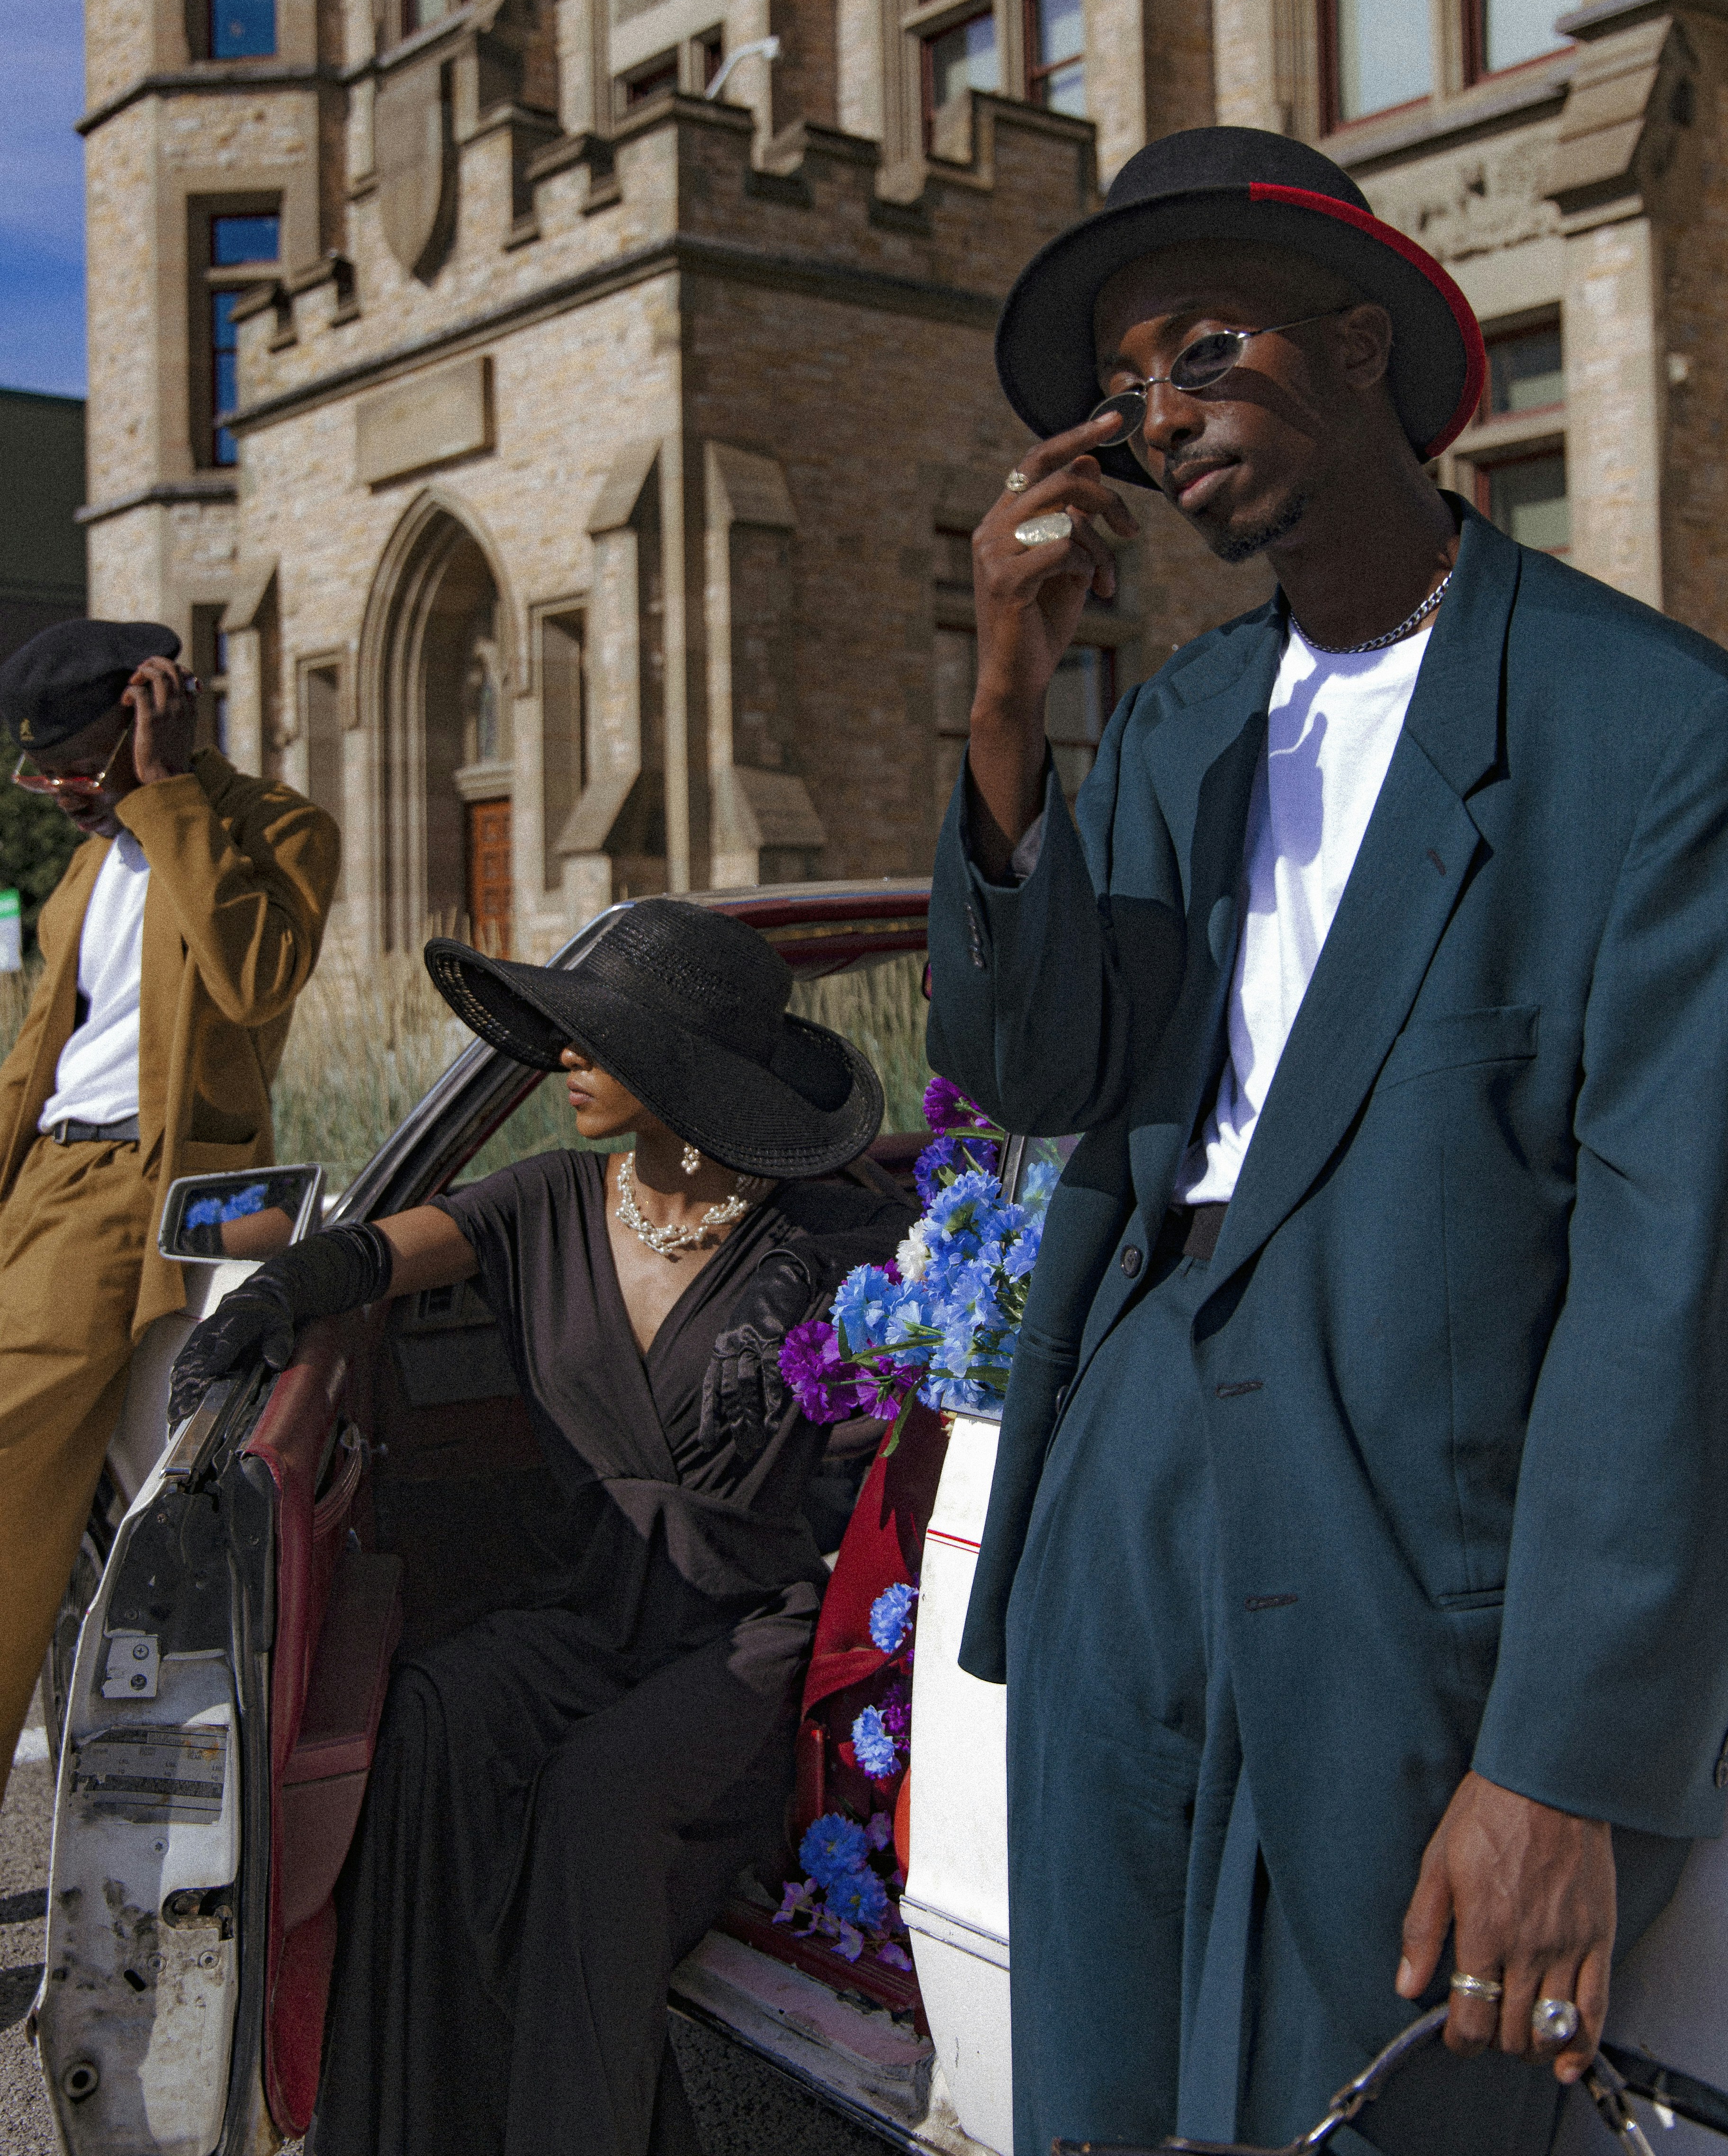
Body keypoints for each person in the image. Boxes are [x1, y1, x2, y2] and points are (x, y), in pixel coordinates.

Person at [927, 125, 1728, 2155]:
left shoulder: (1647, 730)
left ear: (1361, 346)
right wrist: (1012, 698)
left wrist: (1565, 1763)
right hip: (1128, 1466)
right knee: (1093, 2091)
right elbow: (1039, 1071)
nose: (1162, 419)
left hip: (1413, 1520)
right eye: (1128, 392)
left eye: (1206, 353)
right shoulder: (1186, 722)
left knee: (1354, 2109)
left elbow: (1666, 1272)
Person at [171, 897, 910, 2156]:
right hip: (592, 1612)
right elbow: (374, 1255)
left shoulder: (841, 1247)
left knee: (597, 1805)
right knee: (433, 1717)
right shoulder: (546, 1201)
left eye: (597, 1039)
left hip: (742, 1643)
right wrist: (278, 1295)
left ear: (684, 1071)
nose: (565, 1058)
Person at [0, 618, 339, 1805]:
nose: (60, 797)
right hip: (40, 1181)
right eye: (38, 777)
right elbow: (51, 1044)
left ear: (156, 709)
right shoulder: (96, 857)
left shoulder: (267, 829)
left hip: (125, 1196)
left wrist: (168, 793)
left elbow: (254, 979)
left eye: (76, 768)